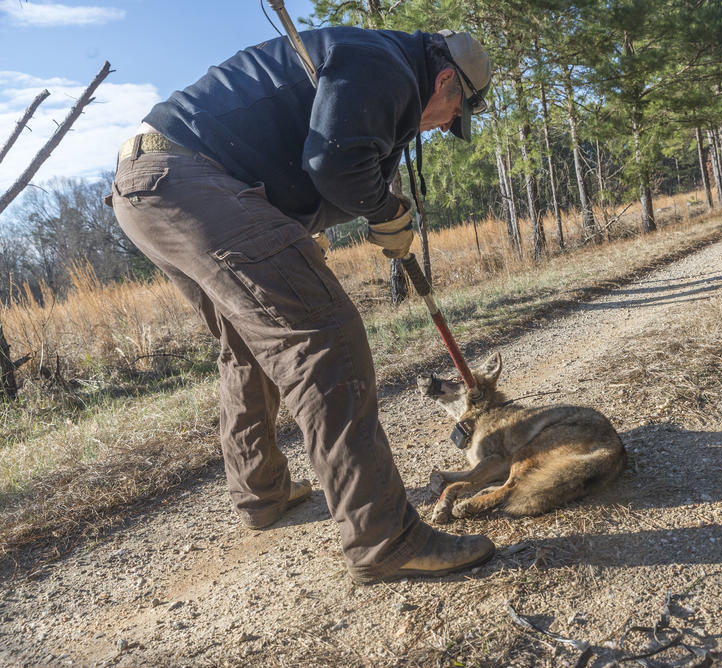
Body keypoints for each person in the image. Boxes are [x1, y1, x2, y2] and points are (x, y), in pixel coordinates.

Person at [107, 26, 495, 584]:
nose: (440, 127)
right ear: (444, 81)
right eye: (450, 114)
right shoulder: (383, 64)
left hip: (151, 186)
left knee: (248, 341)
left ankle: (261, 492)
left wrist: (307, 225)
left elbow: (313, 160)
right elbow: (335, 163)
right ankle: (385, 539)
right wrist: (385, 210)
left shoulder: (374, 66)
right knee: (325, 336)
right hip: (190, 182)